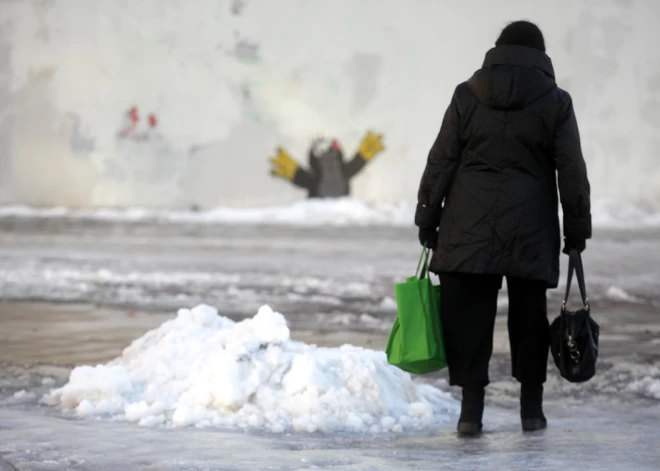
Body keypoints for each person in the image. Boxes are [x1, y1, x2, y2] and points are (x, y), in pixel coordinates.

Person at [414, 20, 591, 436]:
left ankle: (470, 414)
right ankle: (532, 411)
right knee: (529, 318)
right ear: (541, 56)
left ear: (497, 50)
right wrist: (577, 229)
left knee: (469, 317)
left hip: (466, 221)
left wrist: (428, 216)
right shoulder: (556, 101)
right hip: (530, 227)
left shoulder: (466, 95)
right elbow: (572, 170)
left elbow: (441, 160)